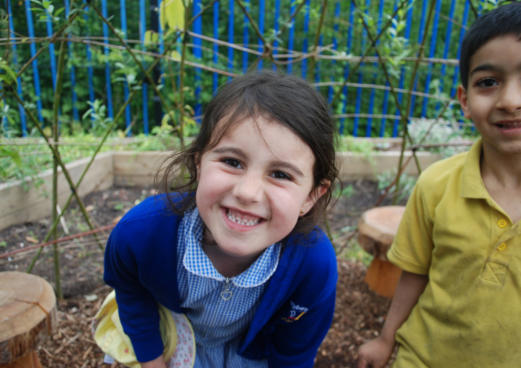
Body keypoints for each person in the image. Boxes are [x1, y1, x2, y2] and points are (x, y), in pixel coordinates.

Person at [101, 70, 339, 368]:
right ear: (199, 162)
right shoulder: (141, 234)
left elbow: (295, 353)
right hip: (175, 337)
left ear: (310, 196)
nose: (248, 192)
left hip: (250, 351)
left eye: (280, 174)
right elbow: (131, 293)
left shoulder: (313, 265)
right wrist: (153, 361)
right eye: (232, 162)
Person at [357, 2, 521, 367]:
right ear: (464, 100)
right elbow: (415, 271)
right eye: (489, 82)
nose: (510, 101)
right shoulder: (436, 185)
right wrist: (386, 340)